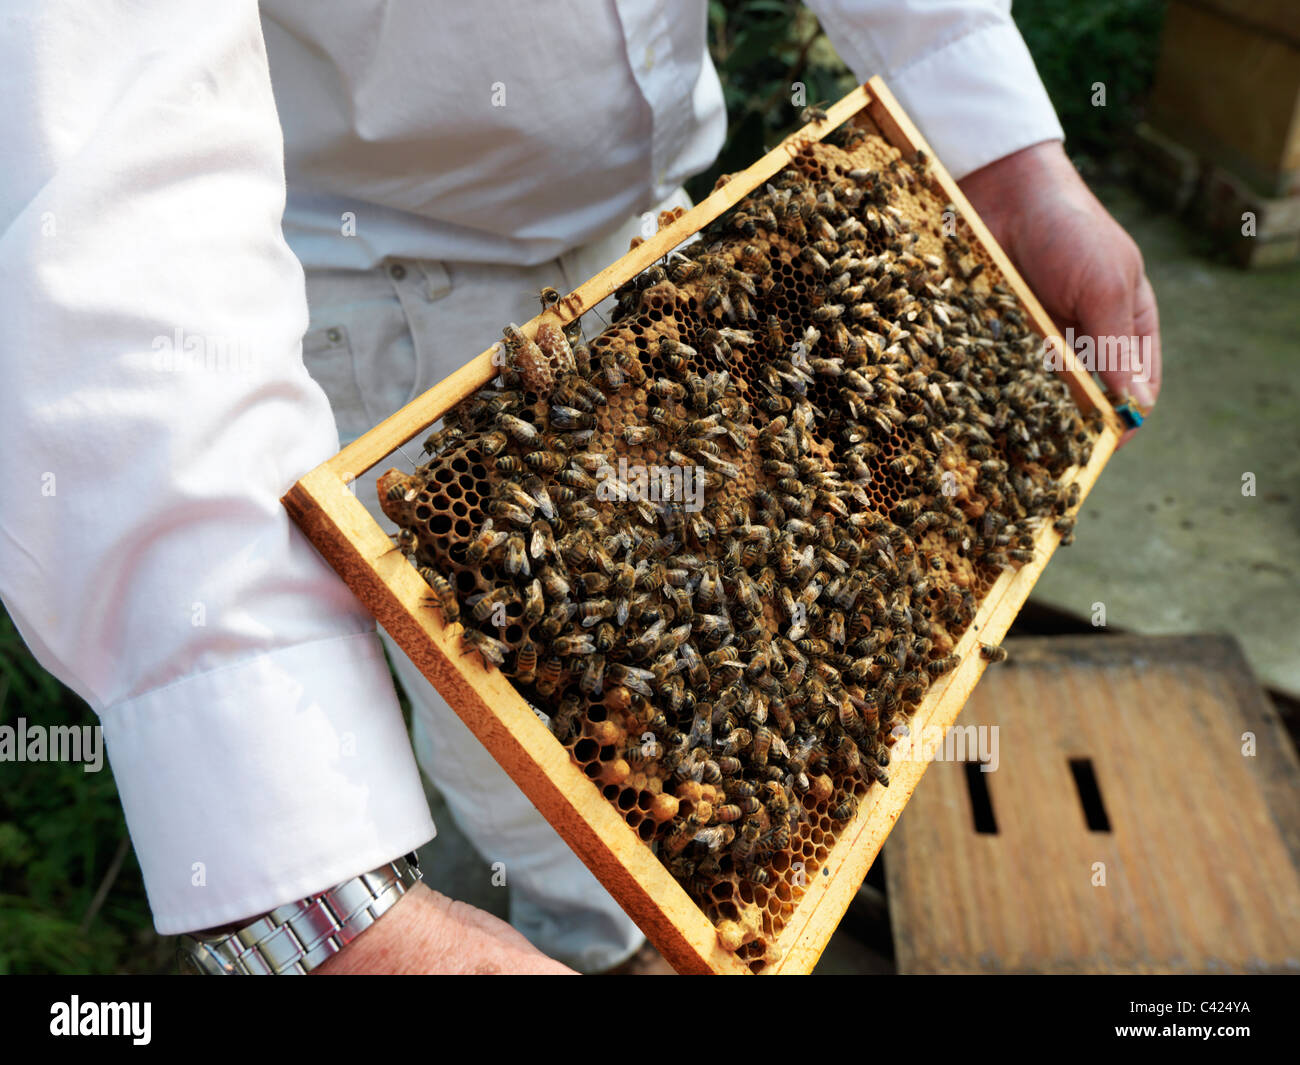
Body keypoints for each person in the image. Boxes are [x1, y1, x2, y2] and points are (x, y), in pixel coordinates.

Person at [0, 0, 1160, 975]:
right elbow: (91, 143)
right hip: (400, 308)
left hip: (692, 261)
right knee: (581, 834)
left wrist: (1001, 149)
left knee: (736, 773)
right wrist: (312, 889)